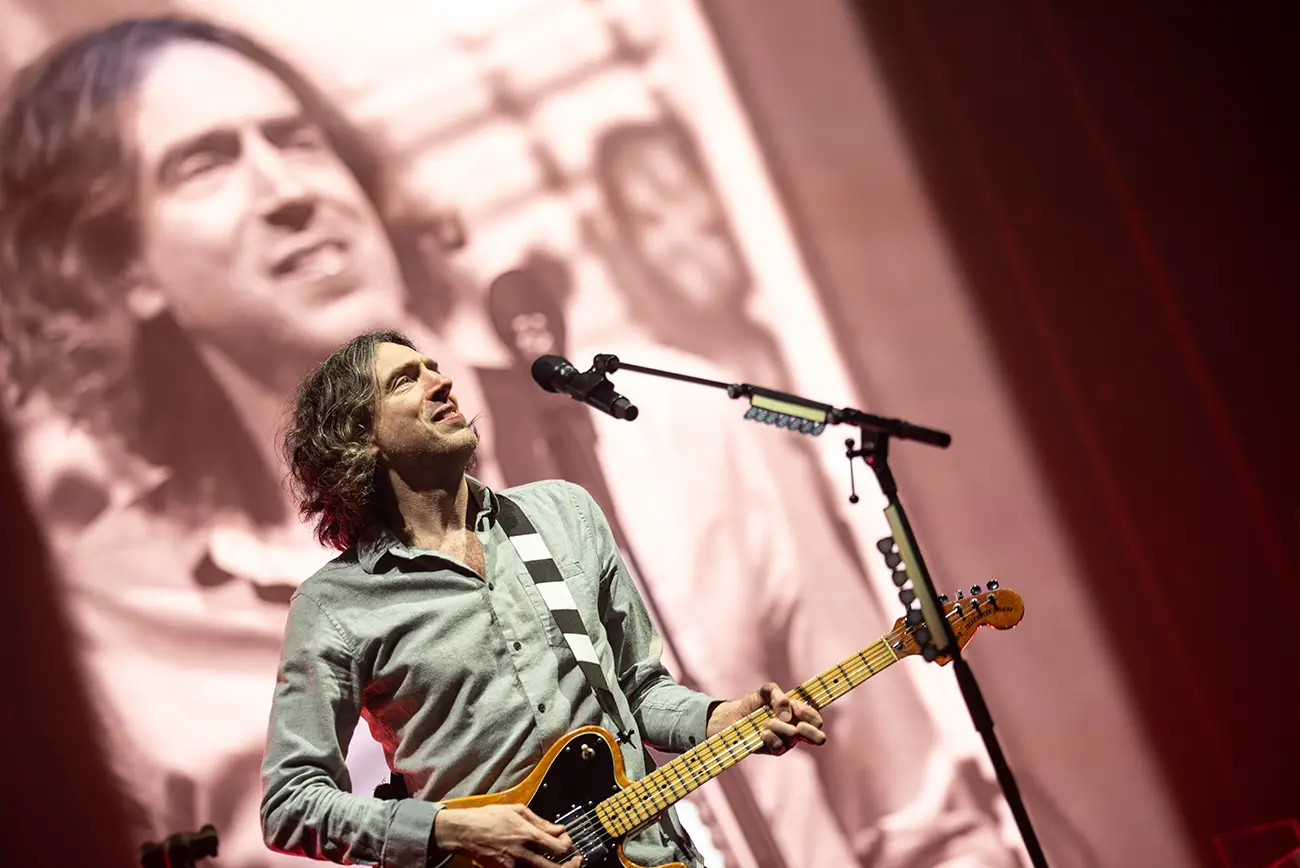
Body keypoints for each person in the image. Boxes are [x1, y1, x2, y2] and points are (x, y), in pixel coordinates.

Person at [0, 15, 497, 865]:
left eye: (298, 140)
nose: (287, 190)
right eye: (207, 163)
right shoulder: (127, 647)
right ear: (124, 267)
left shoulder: (645, 438)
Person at [262, 328, 827, 868]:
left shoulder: (562, 515)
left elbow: (637, 690)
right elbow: (290, 805)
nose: (441, 381)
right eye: (405, 380)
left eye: (434, 366)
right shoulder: (335, 604)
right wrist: (446, 828)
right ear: (360, 439)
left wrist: (717, 717)